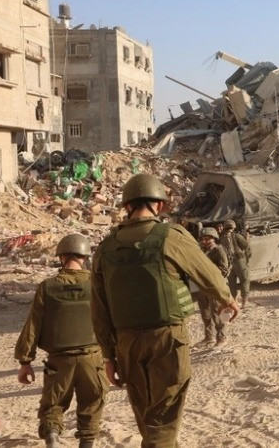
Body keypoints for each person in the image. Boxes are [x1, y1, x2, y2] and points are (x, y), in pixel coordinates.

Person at [91, 173, 240, 447]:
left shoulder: (106, 248)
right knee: (164, 417)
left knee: (148, 416)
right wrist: (227, 298)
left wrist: (108, 356)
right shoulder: (171, 236)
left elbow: (99, 309)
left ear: (127, 206)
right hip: (167, 340)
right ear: (159, 205)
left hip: (127, 344)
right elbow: (206, 271)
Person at [14, 233, 108, 448]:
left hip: (58, 362)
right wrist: (115, 358)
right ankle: (86, 443)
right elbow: (109, 322)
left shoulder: (47, 287)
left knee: (52, 406)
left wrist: (25, 361)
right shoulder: (98, 285)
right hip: (92, 360)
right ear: (85, 257)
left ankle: (52, 437)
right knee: (92, 405)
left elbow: (33, 325)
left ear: (61, 257)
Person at [195, 227, 230, 347]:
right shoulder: (202, 251)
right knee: (205, 313)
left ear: (214, 239)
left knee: (217, 312)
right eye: (203, 239)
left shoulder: (219, 251)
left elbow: (224, 269)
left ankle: (222, 338)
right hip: (203, 285)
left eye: (208, 239)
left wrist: (208, 270)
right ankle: (209, 337)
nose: (205, 241)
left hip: (215, 286)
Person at [219, 219, 251, 307]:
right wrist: (247, 259)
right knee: (244, 280)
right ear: (233, 227)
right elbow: (246, 247)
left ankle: (234, 301)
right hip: (239, 260)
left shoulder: (221, 238)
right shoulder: (236, 236)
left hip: (228, 263)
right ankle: (244, 301)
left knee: (232, 283)